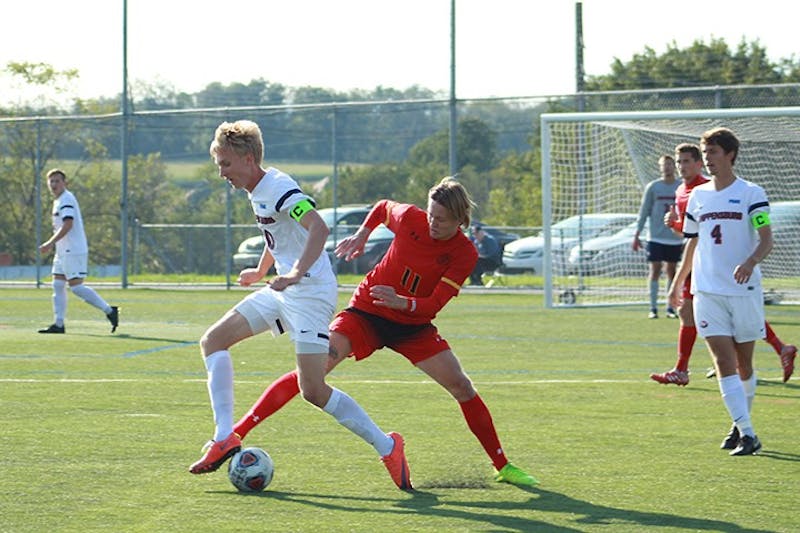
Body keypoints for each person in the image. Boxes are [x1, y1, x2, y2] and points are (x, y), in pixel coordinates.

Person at [232, 177, 539, 487]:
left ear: (460, 220)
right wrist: (362, 235)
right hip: (366, 312)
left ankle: (503, 465)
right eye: (431, 214)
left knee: (461, 386)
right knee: (311, 373)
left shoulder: (464, 254)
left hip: (412, 326)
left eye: (441, 219)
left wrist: (401, 301)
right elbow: (380, 208)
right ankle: (237, 434)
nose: (432, 222)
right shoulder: (409, 217)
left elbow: (432, 305)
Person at [190, 120, 411, 490]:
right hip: (285, 289)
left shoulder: (279, 188)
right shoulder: (257, 189)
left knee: (313, 390)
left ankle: (388, 446)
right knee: (213, 341)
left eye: (225, 164)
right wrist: (261, 269)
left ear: (247, 158)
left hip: (310, 294)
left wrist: (293, 274)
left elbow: (318, 229)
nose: (221, 173)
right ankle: (224, 436)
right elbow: (275, 232)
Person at [651, 143, 796, 386]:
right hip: (700, 264)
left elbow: (710, 235)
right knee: (690, 313)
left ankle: (686, 369)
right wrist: (675, 225)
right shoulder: (682, 192)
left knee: (717, 314)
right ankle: (775, 349)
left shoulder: (710, 189)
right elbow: (692, 235)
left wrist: (749, 261)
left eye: (688, 161)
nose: (682, 167)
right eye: (679, 162)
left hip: (713, 266)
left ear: (699, 164)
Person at [668, 127, 772, 456]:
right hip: (707, 290)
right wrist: (677, 283)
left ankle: (739, 425)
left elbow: (766, 239)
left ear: (730, 155)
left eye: (713, 152)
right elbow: (693, 243)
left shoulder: (751, 193)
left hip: (743, 290)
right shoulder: (698, 197)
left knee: (744, 365)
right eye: (706, 153)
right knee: (722, 361)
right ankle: (749, 434)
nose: (708, 159)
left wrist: (750, 262)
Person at [37, 169, 119, 334]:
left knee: (76, 287)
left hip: (72, 249)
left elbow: (68, 224)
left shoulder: (66, 199)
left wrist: (50, 243)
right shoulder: (59, 200)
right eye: (51, 181)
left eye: (57, 181)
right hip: (63, 250)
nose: (54, 184)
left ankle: (110, 310)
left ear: (65, 183)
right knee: (58, 284)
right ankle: (59, 324)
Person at [632, 155, 683, 319]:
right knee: (654, 270)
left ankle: (670, 307)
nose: (667, 168)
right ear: (660, 168)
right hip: (655, 237)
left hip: (675, 237)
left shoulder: (681, 186)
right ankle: (653, 308)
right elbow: (644, 210)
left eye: (669, 164)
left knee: (672, 271)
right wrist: (637, 234)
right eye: (664, 165)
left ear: (674, 166)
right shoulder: (653, 187)